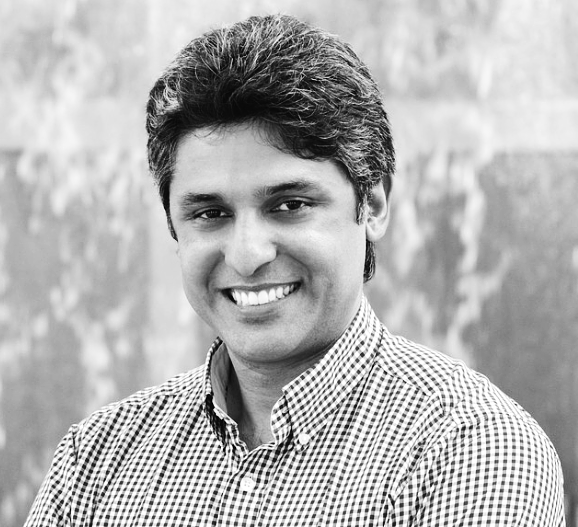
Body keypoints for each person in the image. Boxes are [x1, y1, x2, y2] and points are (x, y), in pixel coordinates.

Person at [26, 14, 565, 526]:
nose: (247, 254)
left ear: (373, 205)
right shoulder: (95, 460)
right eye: (210, 214)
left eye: (289, 205)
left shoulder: (472, 449)